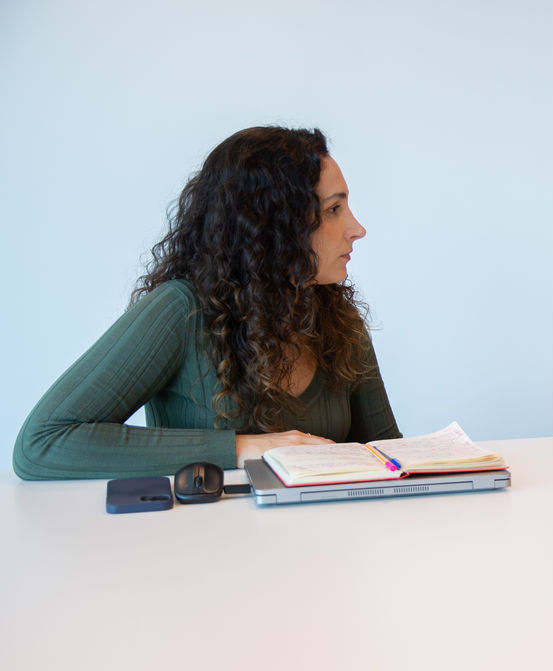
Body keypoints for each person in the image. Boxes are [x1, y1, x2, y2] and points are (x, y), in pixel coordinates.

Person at [13, 126, 400, 480]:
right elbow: (41, 444)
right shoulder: (180, 311)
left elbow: (389, 456)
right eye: (334, 209)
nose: (357, 229)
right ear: (274, 226)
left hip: (326, 546)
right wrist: (240, 448)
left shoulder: (337, 318)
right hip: (203, 550)